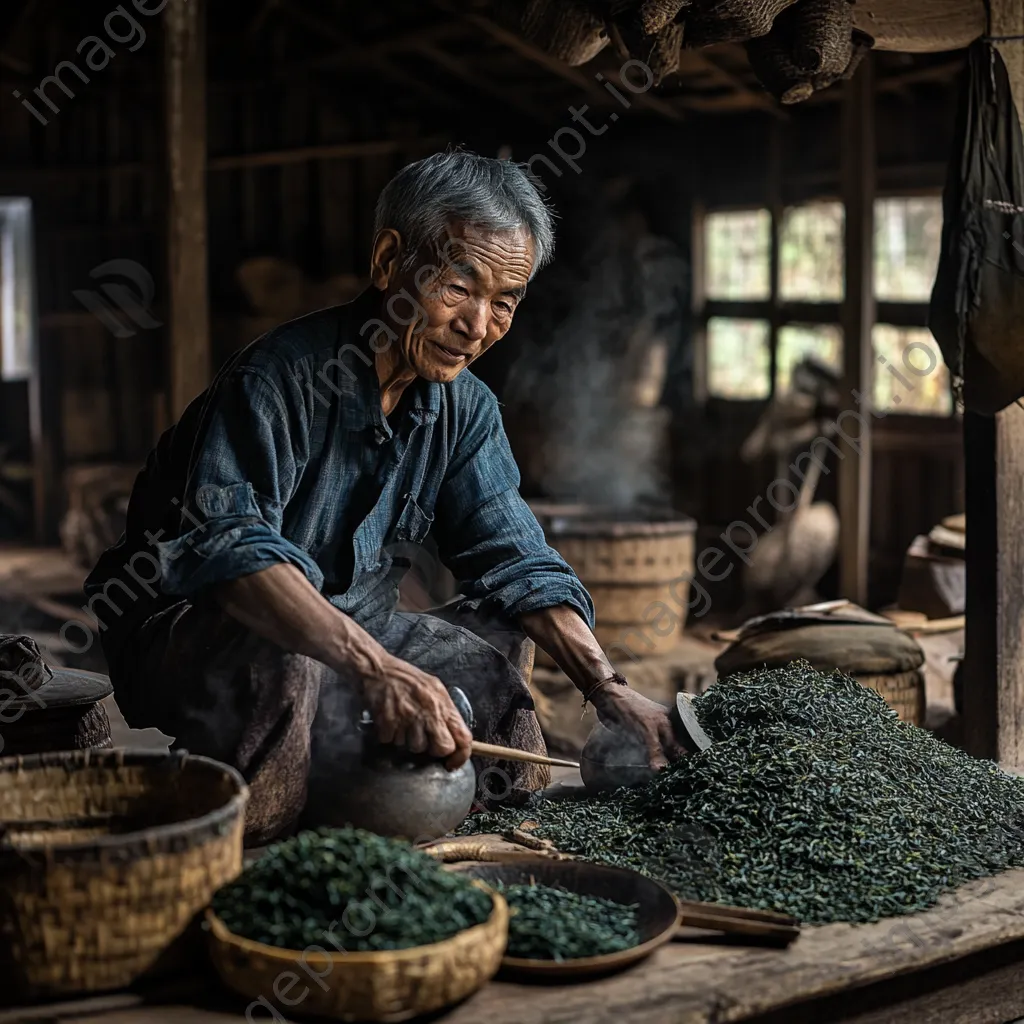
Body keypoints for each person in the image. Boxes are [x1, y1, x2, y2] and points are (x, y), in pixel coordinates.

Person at [86, 151, 685, 842]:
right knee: (288, 653)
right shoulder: (275, 381)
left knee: (487, 662)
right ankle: (258, 849)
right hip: (194, 638)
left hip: (351, 630)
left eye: (505, 302)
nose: (478, 325)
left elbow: (519, 560)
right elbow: (232, 556)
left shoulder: (466, 410)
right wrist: (374, 667)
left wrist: (608, 691)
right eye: (460, 287)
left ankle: (497, 846)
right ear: (389, 262)